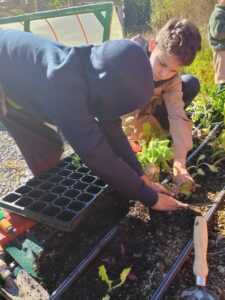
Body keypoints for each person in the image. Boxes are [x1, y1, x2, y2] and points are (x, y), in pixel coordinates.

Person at [0, 29, 188, 212]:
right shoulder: (64, 86)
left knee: (48, 148)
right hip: (5, 75)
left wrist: (141, 177)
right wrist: (150, 198)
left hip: (23, 74)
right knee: (44, 150)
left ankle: (50, 194)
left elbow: (111, 127)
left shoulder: (96, 73)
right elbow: (93, 150)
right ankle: (45, 212)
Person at [125, 18, 201, 190]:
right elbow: (118, 116)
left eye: (173, 70)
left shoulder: (171, 77)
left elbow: (176, 112)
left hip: (150, 109)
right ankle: (156, 133)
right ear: (152, 45)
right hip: (126, 113)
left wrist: (180, 162)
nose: (164, 74)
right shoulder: (128, 59)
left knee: (190, 83)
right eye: (162, 64)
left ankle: (162, 133)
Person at [208, 0, 225, 91]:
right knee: (222, 79)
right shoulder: (218, 13)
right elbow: (217, 33)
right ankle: (219, 101)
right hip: (221, 51)